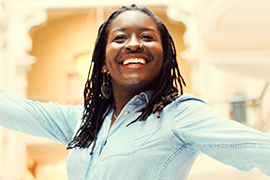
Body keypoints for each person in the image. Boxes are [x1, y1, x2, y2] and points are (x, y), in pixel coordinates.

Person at [0, 4, 270, 180]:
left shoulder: (179, 115)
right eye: (120, 37)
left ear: (164, 58)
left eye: (147, 37)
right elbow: (12, 110)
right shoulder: (84, 122)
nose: (133, 44)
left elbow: (261, 149)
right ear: (104, 61)